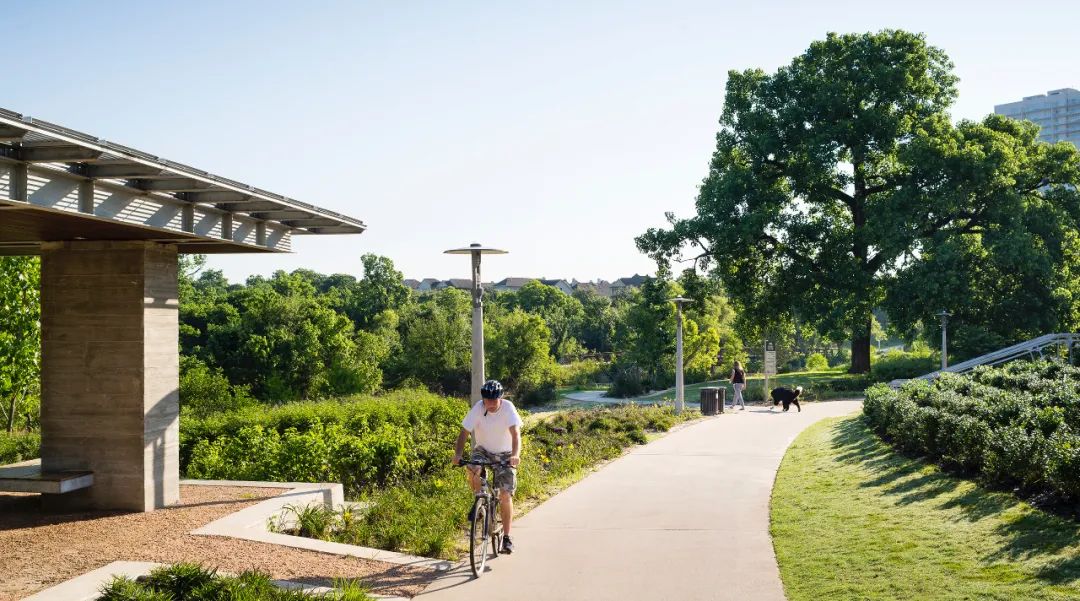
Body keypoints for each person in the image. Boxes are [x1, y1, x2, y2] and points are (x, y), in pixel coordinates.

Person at [452, 379, 522, 554]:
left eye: (493, 400)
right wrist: (458, 454)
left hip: (505, 454)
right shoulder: (478, 408)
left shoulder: (508, 408)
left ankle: (507, 538)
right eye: (487, 400)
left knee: (505, 495)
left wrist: (515, 455)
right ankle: (480, 500)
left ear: (501, 397)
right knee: (472, 468)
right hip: (483, 451)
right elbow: (464, 433)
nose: (490, 404)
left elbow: (515, 434)